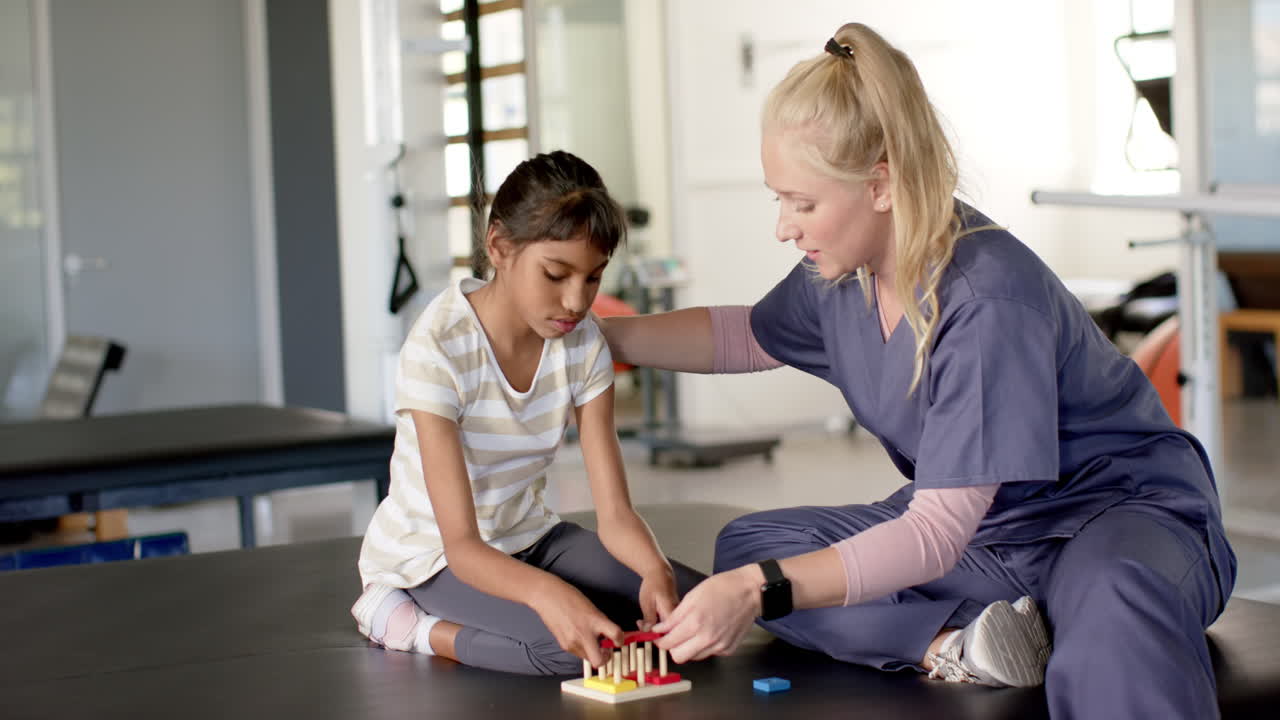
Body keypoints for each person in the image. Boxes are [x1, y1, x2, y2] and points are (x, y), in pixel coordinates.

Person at [598, 23, 1235, 719]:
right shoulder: (843, 275)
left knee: (1111, 606)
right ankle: (961, 641)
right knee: (752, 548)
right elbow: (747, 335)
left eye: (801, 203)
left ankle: (1053, 620)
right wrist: (602, 339)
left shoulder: (986, 297)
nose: (784, 226)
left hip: (1118, 518)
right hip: (998, 536)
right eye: (778, 198)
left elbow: (933, 534)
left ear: (881, 183)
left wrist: (760, 591)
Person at [352, 150, 704, 676]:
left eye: (592, 278)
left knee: (697, 608)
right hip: (434, 560)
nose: (575, 301)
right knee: (571, 652)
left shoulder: (582, 344)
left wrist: (653, 570)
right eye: (556, 274)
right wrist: (551, 596)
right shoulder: (439, 347)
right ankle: (405, 624)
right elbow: (464, 547)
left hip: (533, 537)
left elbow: (614, 515)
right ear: (499, 247)